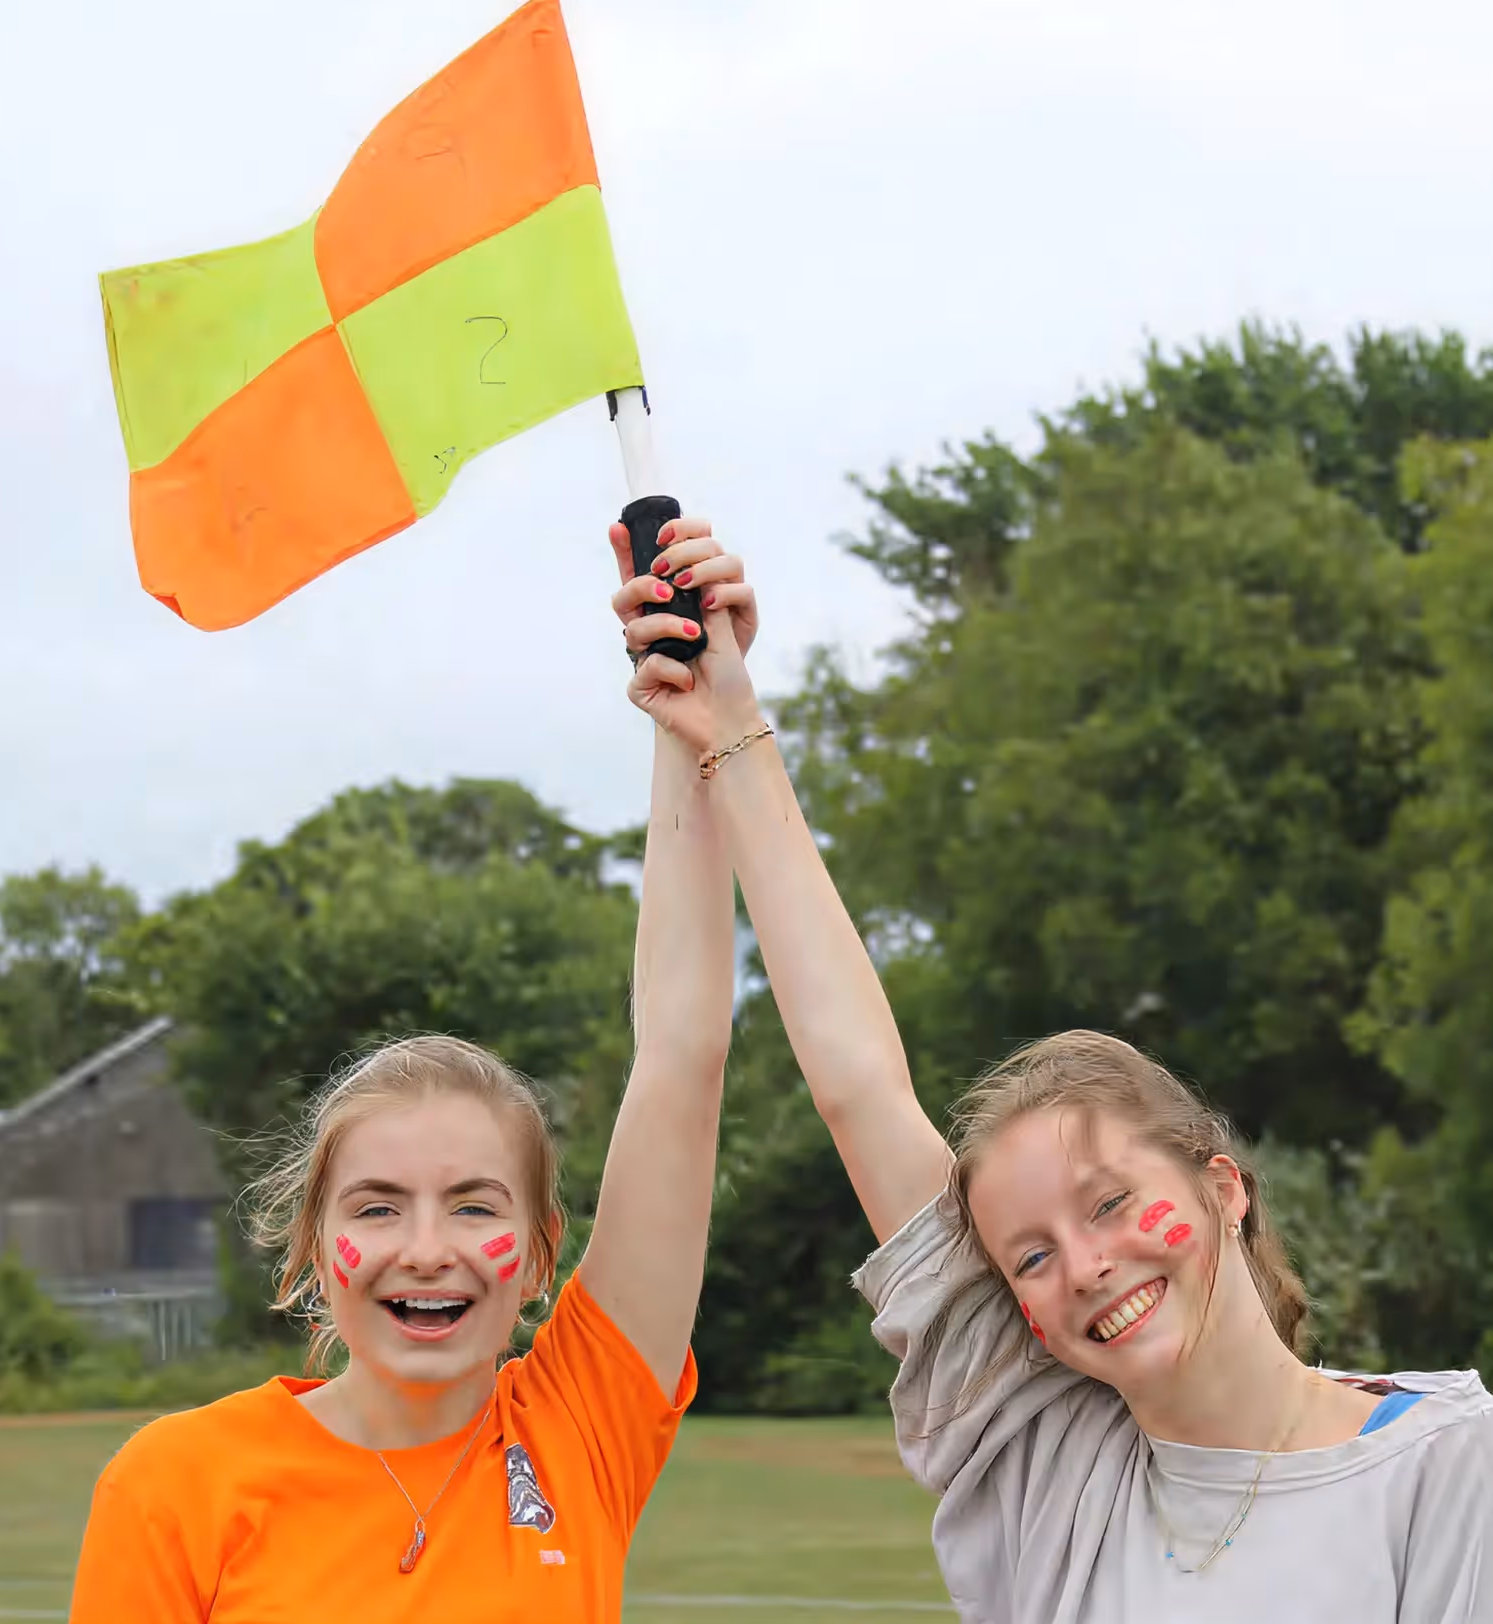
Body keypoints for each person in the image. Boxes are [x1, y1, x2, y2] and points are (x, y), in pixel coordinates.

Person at [614, 530, 1493, 1622]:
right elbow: (860, 1086)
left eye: (1111, 1202)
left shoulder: (1450, 1466)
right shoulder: (1048, 1463)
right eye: (1029, 1255)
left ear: (1224, 1187)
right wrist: (729, 724)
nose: (1083, 1264)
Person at [68, 526, 759, 1624]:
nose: (426, 1249)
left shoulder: (580, 1426)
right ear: (312, 1249)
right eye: (378, 1205)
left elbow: (683, 1051)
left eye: (474, 1204)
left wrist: (700, 717)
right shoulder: (176, 1485)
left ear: (536, 1255)